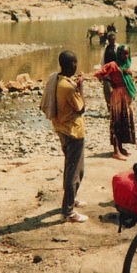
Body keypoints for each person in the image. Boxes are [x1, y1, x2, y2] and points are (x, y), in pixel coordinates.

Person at [51, 50, 88, 223]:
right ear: (67, 65)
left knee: (71, 168)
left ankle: (70, 201)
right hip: (73, 132)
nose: (76, 66)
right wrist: (80, 87)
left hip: (63, 130)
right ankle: (68, 212)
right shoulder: (68, 86)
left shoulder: (59, 80)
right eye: (73, 63)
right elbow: (81, 107)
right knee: (75, 171)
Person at [94, 44, 137, 160]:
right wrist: (110, 80)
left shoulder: (127, 65)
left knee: (124, 120)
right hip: (117, 96)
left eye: (127, 53)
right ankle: (116, 150)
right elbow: (99, 73)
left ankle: (121, 147)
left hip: (126, 96)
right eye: (123, 53)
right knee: (117, 121)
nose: (125, 55)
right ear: (118, 53)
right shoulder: (113, 65)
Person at [101, 30, 119, 109]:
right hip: (108, 72)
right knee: (107, 90)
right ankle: (110, 107)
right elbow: (103, 60)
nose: (111, 41)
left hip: (117, 72)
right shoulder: (106, 48)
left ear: (115, 39)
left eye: (113, 39)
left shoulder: (118, 47)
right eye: (110, 40)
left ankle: (117, 107)